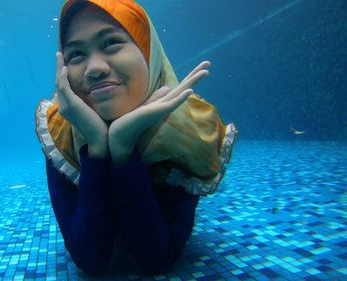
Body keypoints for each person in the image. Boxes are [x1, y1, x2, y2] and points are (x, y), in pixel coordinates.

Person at [35, 0, 237, 275]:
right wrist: (96, 144)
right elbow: (89, 260)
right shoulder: (62, 132)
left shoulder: (186, 130)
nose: (94, 68)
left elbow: (156, 257)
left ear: (147, 52)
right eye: (76, 55)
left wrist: (122, 145)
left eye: (110, 44)